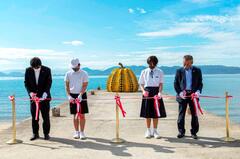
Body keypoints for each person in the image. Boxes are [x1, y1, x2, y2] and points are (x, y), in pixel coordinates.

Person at [174, 55, 203, 139]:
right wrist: (179, 92)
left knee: (194, 114)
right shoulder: (179, 70)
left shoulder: (197, 70)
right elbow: (176, 83)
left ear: (191, 62)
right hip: (182, 96)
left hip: (193, 95)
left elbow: (200, 83)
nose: (185, 65)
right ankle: (181, 131)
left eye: (187, 63)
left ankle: (194, 132)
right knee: (181, 114)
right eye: (184, 63)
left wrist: (198, 91)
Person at [24, 57, 52, 141]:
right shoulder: (28, 70)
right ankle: (35, 134)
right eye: (34, 68)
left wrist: (45, 93)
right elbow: (26, 83)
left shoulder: (47, 70)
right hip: (34, 98)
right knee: (34, 117)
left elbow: (49, 82)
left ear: (40, 65)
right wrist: (30, 93)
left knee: (45, 117)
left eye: (37, 67)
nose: (36, 69)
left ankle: (46, 134)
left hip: (44, 98)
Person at [139, 56, 167, 139]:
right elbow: (141, 83)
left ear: (156, 63)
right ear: (148, 63)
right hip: (147, 92)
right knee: (147, 113)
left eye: (153, 63)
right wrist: (143, 91)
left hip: (156, 93)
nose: (152, 64)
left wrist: (159, 92)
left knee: (156, 113)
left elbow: (161, 84)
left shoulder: (160, 72)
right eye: (150, 63)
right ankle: (148, 130)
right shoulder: (144, 71)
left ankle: (155, 131)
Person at [64, 58, 89, 140]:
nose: (74, 69)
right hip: (72, 95)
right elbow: (67, 86)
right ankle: (76, 132)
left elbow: (85, 85)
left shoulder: (84, 73)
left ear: (79, 65)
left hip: (82, 94)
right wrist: (68, 96)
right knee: (75, 115)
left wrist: (81, 94)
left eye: (75, 67)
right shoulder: (68, 73)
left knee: (82, 114)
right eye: (73, 67)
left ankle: (82, 132)